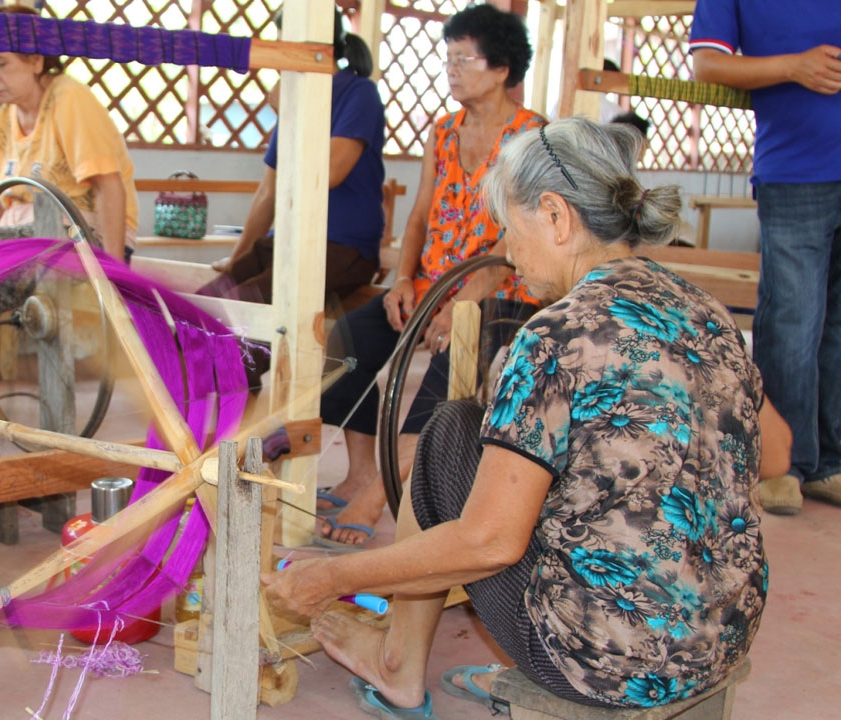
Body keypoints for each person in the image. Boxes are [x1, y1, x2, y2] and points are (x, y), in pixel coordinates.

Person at [264, 117, 791, 716]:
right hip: (723, 632)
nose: (508, 252)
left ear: (556, 216)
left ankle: (397, 664)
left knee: (448, 432)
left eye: (511, 230)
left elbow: (489, 541)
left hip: (610, 660)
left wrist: (332, 579)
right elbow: (775, 453)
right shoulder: (704, 309)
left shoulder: (556, 333)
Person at [314, 3, 543, 547]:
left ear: (503, 69)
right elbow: (419, 215)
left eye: (465, 58)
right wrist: (401, 280)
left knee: (449, 367)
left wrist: (454, 304)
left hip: (501, 293)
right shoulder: (442, 132)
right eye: (449, 59)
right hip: (429, 283)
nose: (452, 70)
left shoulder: (534, 138)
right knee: (342, 346)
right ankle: (362, 472)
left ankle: (375, 502)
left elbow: (512, 243)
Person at [691, 1, 841, 514]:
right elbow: (707, 63)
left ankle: (830, 462)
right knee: (793, 317)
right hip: (796, 169)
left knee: (837, 323)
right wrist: (793, 65)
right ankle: (784, 463)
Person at [198, 9, 386, 308]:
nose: (280, 59)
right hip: (287, 242)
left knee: (242, 308)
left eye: (288, 48)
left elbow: (329, 173)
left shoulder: (360, 93)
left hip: (342, 248)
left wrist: (291, 114)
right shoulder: (296, 101)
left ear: (320, 48)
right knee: (205, 301)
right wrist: (236, 264)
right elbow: (267, 194)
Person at [0, 4, 138, 262]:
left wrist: (113, 272)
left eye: (1, 63)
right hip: (25, 232)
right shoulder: (0, 114)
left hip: (87, 235)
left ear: (36, 61)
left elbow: (108, 186)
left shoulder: (68, 99)